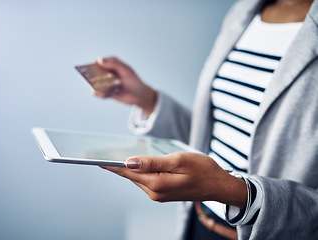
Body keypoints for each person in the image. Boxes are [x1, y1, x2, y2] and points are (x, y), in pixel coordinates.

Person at [92, 0, 318, 239]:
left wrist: (234, 191)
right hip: (198, 222)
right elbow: (212, 140)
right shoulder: (243, 11)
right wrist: (147, 99)